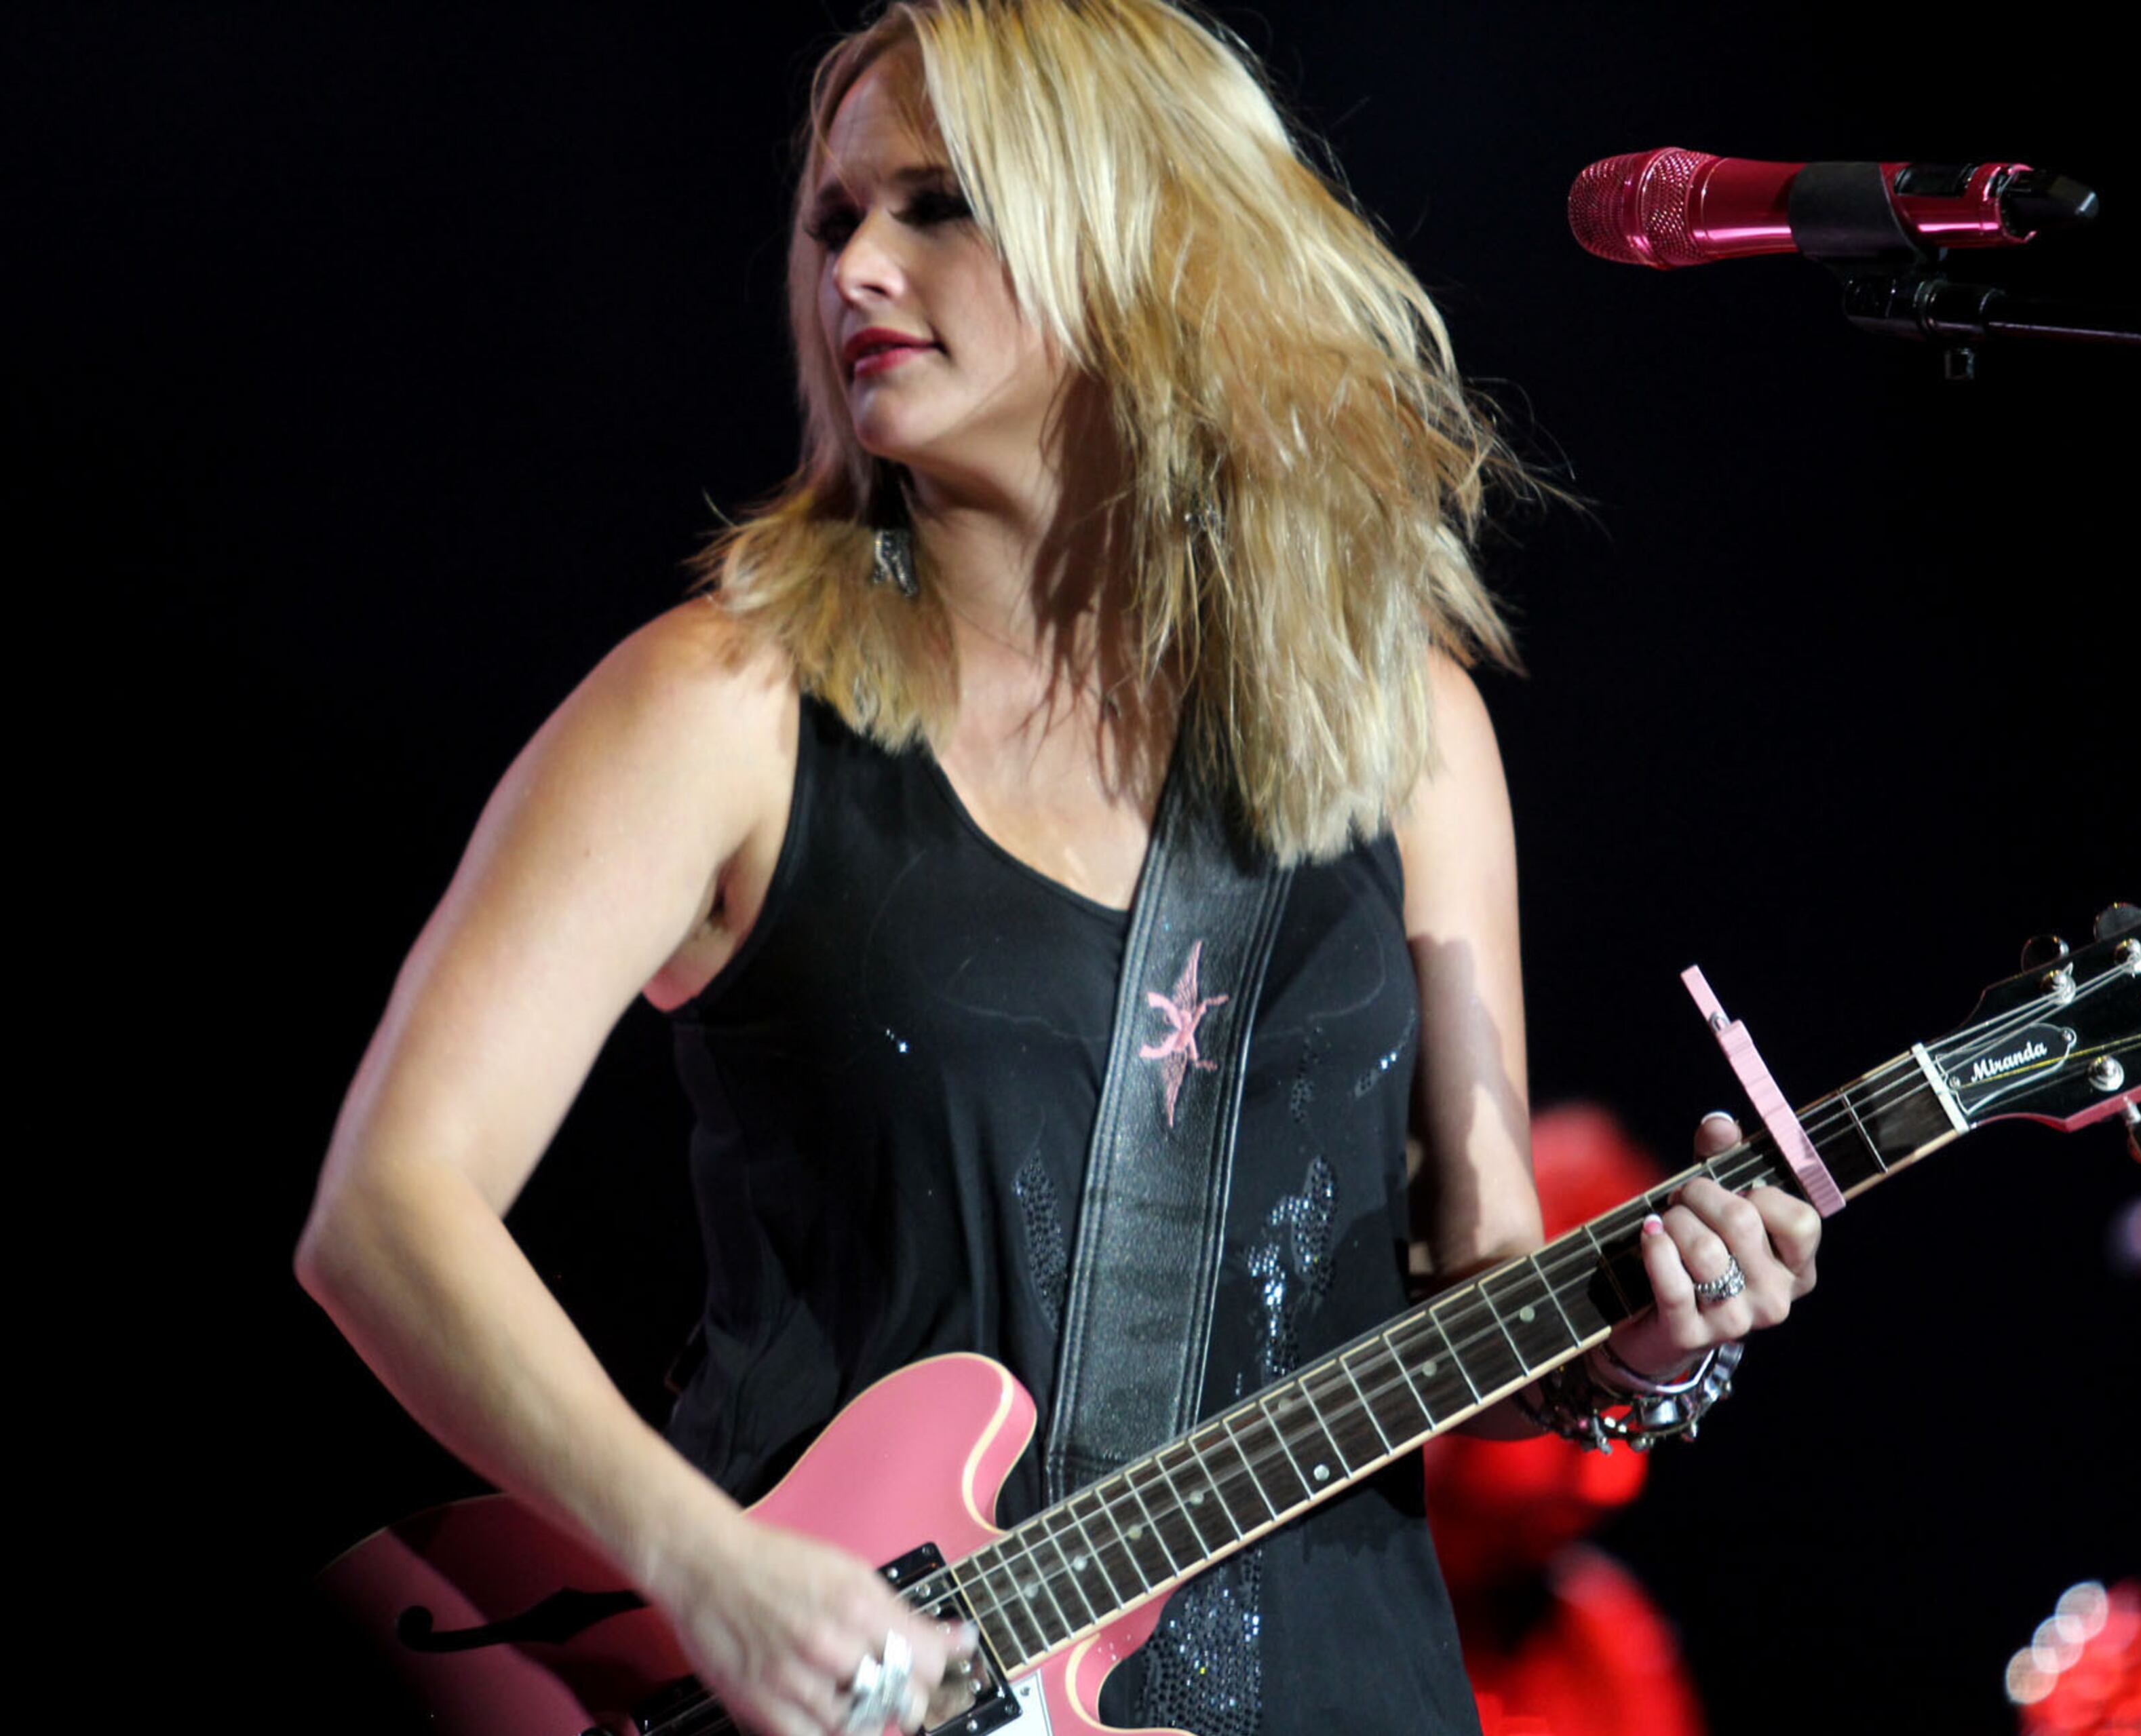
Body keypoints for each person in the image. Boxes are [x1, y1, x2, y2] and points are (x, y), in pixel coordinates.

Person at [293, 5, 1824, 1735]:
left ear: (1147, 238)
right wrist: (701, 1560)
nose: (856, 263)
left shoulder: (1402, 729)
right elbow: (386, 1210)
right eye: (831, 219)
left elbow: (1486, 1302)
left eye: (939, 203)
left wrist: (1649, 1338)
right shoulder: (721, 710)